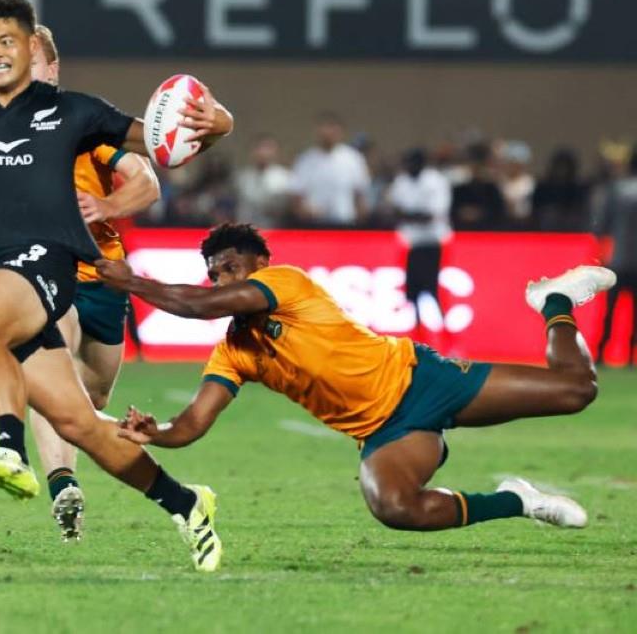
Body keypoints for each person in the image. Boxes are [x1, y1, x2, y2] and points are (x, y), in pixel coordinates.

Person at [0, 0, 234, 571]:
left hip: (49, 263)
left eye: (6, 41)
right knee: (80, 422)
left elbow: (162, 143)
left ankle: (10, 452)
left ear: (30, 45)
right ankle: (187, 505)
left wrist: (220, 124)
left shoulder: (74, 114)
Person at [97, 222, 615, 533]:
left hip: (420, 379)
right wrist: (157, 433)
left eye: (231, 267)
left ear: (262, 262)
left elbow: (197, 305)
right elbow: (193, 423)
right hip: (386, 432)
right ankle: (518, 500)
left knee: (577, 391)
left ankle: (554, 300)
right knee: (395, 507)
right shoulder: (235, 351)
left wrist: (134, 282)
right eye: (215, 274)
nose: (221, 280)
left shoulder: (284, 283)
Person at [0, 23, 161, 542]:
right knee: (52, 370)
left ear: (52, 68)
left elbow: (147, 181)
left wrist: (107, 206)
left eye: (33, 61)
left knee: (91, 398)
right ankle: (62, 483)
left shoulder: (84, 126)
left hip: (103, 277)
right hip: (44, 272)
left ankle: (130, 465)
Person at [387, 148, 452, 337]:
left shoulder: (435, 181)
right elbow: (394, 210)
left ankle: (445, 333)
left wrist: (409, 215)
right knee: (412, 291)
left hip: (432, 243)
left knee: (432, 289)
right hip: (412, 244)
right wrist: (413, 215)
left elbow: (433, 215)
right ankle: (417, 332)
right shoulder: (401, 182)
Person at [291, 112, 371, 226]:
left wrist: (361, 223)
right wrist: (305, 211)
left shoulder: (353, 158)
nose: (328, 132)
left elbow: (360, 195)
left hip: (345, 221)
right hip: (314, 223)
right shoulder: (305, 160)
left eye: (332, 128)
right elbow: (297, 196)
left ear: (340, 131)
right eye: (324, 128)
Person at [595, 149, 637, 365]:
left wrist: (603, 253)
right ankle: (631, 355)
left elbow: (602, 223)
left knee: (610, 308)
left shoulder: (617, 189)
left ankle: (601, 352)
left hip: (618, 258)